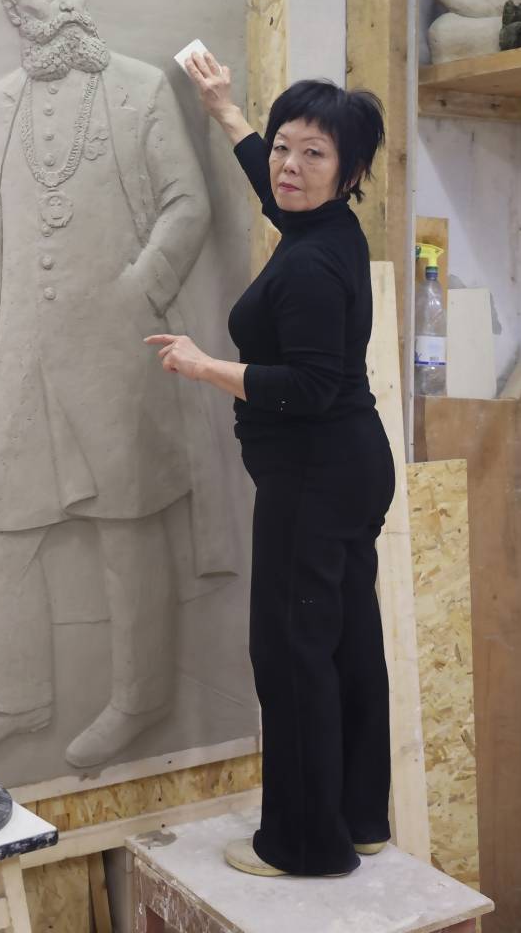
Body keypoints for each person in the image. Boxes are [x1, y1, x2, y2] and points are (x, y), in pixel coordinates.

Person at [0, 0, 236, 773]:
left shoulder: (139, 88)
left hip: (117, 347)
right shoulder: (1, 105)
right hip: (22, 348)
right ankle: (13, 698)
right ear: (15, 9)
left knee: (126, 523)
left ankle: (141, 698)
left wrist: (139, 288)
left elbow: (187, 203)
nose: (67, 7)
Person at [147, 53, 394, 879]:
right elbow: (273, 186)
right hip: (350, 471)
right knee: (346, 642)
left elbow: (311, 387)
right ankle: (359, 819)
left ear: (349, 173)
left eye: (313, 154)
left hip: (316, 479)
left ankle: (304, 845)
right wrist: (226, 110)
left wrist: (203, 365)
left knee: (292, 654)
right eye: (284, 146)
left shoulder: (315, 263)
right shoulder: (327, 227)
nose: (288, 166)